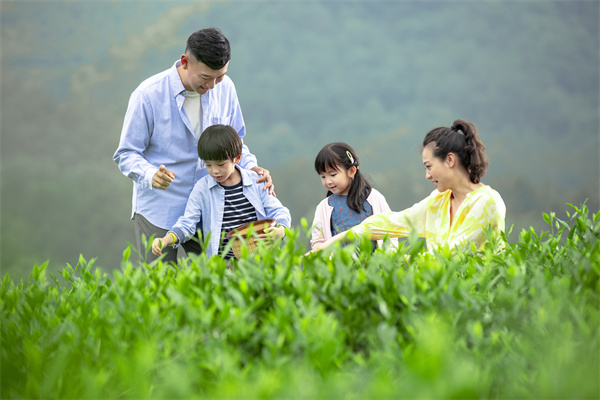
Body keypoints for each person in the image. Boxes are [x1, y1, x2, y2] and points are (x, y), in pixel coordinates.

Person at [113, 27, 274, 263]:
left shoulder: (225, 88)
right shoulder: (148, 95)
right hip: (160, 208)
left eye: (219, 76)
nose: (213, 86)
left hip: (211, 206)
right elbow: (126, 153)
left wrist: (253, 169)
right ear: (185, 62)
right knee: (160, 285)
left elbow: (236, 141)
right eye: (206, 78)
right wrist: (149, 175)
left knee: (216, 283)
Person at [311, 120, 506, 254]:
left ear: (450, 160)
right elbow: (390, 222)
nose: (427, 175)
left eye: (429, 167)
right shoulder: (438, 201)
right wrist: (331, 243)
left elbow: (451, 256)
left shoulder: (487, 202)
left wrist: (397, 261)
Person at [152, 125, 291, 260]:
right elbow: (187, 223)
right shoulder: (202, 189)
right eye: (208, 165)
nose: (215, 171)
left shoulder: (256, 181)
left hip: (259, 260)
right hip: (223, 265)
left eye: (221, 164)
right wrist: (166, 239)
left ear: (236, 158)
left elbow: (279, 211)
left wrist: (281, 230)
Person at [310, 142, 397, 251]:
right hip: (340, 266)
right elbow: (318, 241)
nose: (328, 181)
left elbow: (389, 229)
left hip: (374, 265)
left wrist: (390, 257)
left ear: (351, 171)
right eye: (323, 176)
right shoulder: (324, 207)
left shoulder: (373, 198)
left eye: (333, 175)